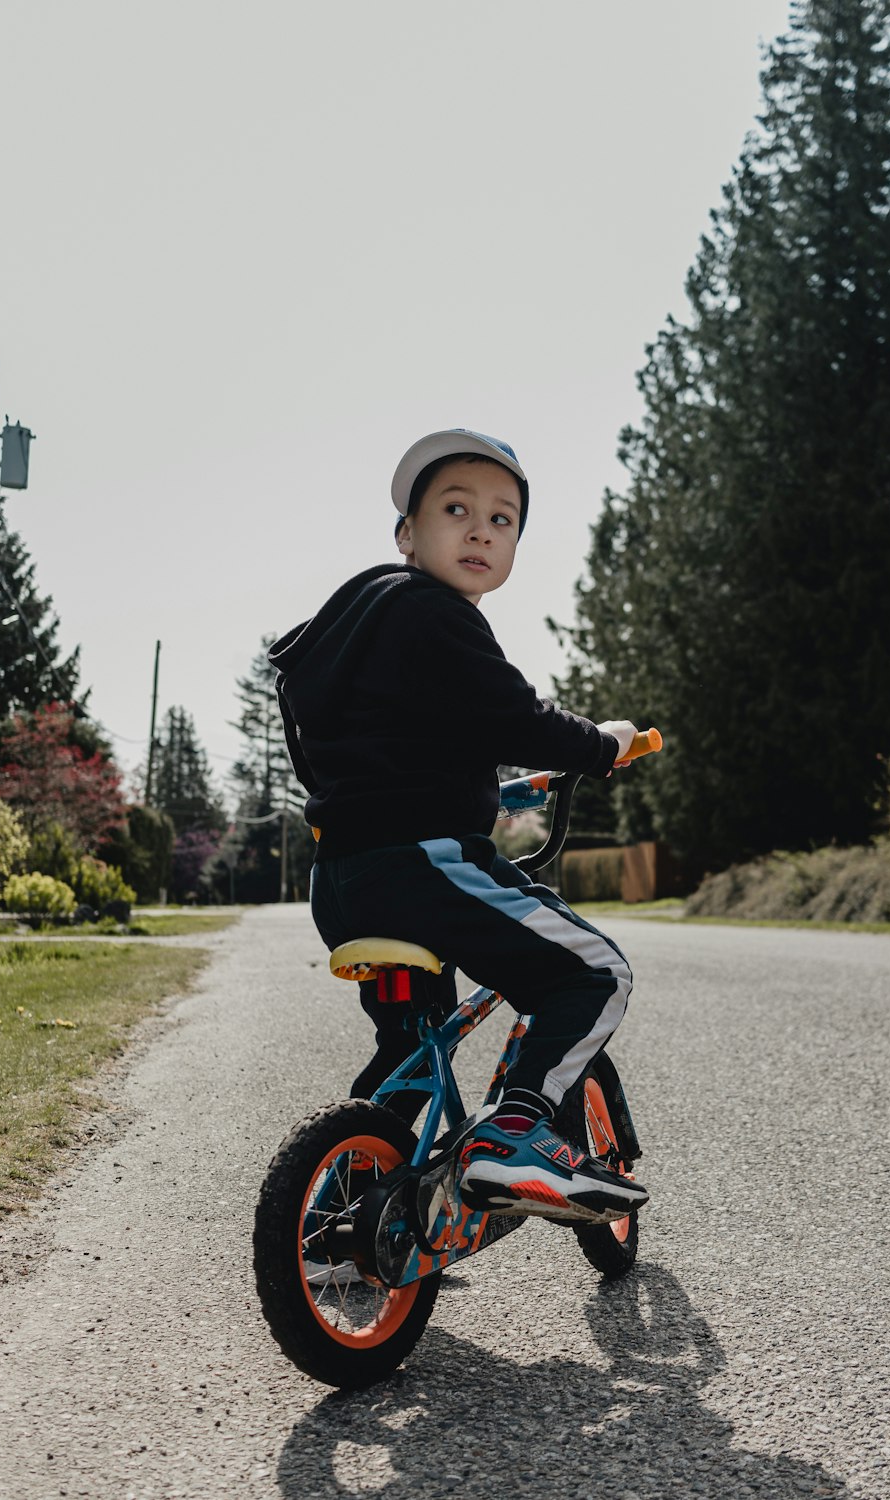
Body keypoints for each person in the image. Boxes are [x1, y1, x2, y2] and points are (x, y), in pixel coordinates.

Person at [270, 429, 647, 1223]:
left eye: (503, 519)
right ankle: (512, 1133)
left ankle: (352, 1203)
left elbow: (392, 752)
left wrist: (484, 794)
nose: (481, 530)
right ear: (406, 533)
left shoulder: (351, 632)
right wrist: (602, 746)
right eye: (456, 509)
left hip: (344, 877)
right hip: (422, 869)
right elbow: (517, 717)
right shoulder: (437, 615)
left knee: (412, 1042)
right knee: (593, 973)